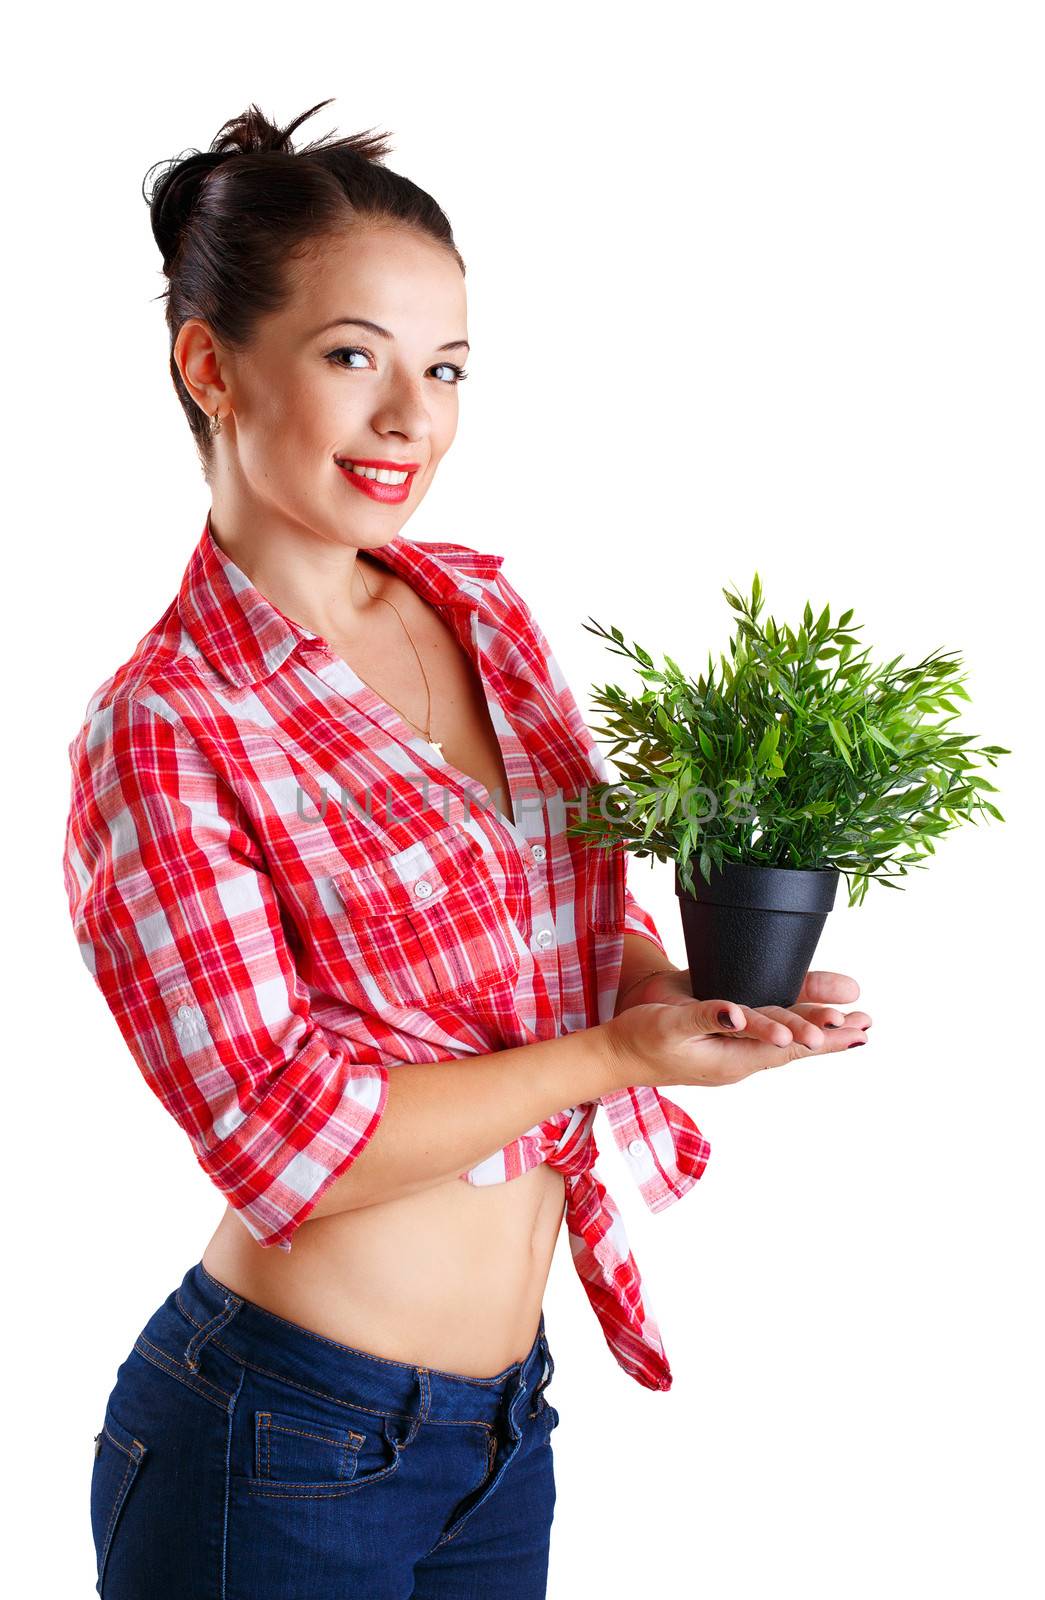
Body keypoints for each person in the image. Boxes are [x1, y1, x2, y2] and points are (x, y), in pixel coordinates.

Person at [64, 99, 872, 1600]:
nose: (409, 420)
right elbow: (284, 1131)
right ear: (209, 366)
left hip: (500, 1434)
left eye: (443, 370)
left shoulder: (482, 617)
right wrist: (626, 1057)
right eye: (352, 354)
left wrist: (710, 993)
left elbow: (550, 939)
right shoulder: (169, 729)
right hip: (279, 1444)